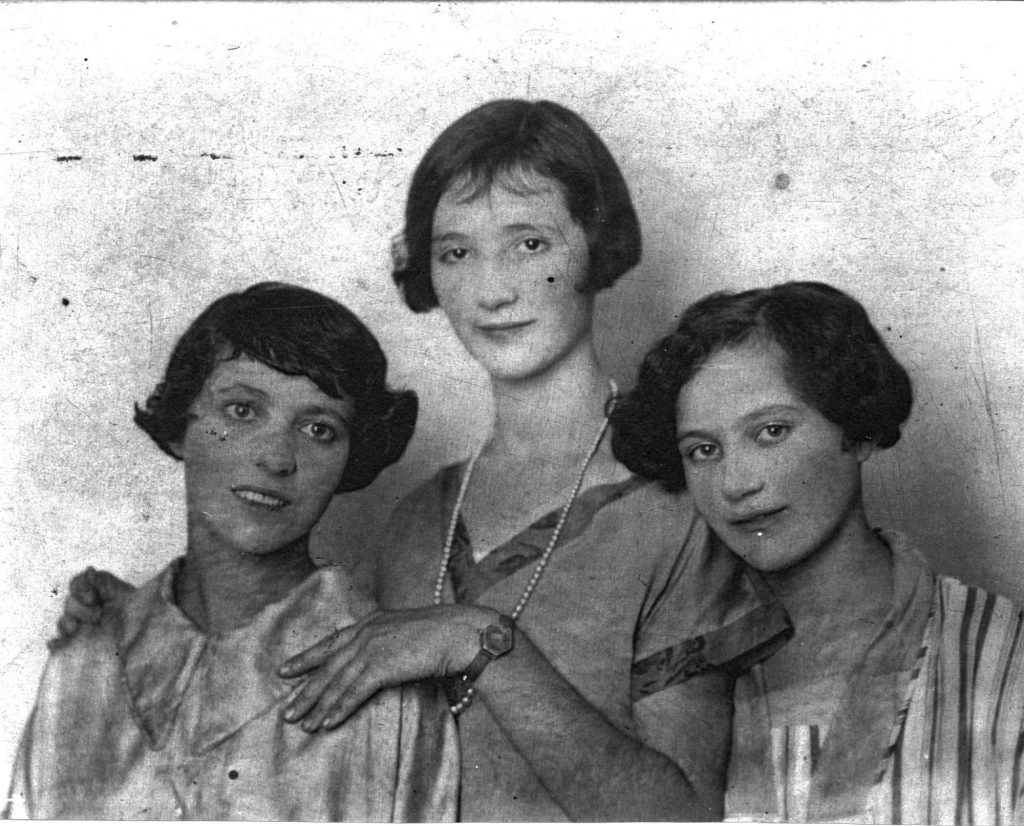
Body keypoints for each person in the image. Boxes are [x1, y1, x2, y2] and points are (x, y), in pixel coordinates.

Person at [54, 100, 792, 821]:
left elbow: (683, 815)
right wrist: (150, 622)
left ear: (596, 247)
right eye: (456, 252)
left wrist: (476, 641)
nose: (493, 288)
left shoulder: (680, 504)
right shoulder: (416, 521)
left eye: (530, 243)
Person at [7, 283, 459, 821]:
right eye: (242, 410)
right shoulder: (81, 667)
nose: (275, 458)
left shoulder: (386, 688)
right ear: (181, 425)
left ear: (349, 460)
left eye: (320, 429)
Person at [611, 280, 1024, 824]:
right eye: (704, 450)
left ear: (857, 432)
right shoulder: (659, 673)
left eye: (771, 431)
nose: (735, 484)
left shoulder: (1003, 653)